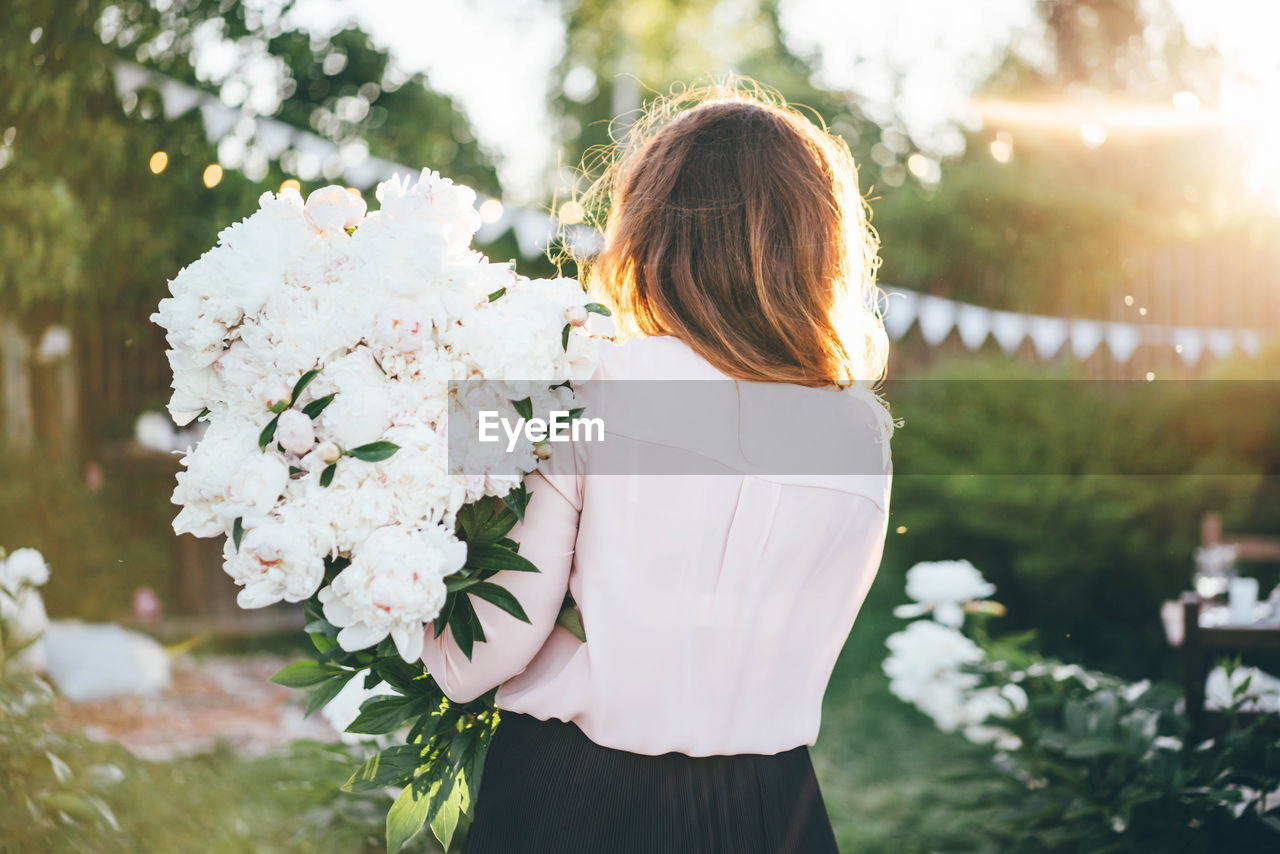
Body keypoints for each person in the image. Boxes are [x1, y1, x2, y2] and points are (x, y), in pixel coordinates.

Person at [421, 80, 893, 854]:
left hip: (581, 802)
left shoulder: (591, 384)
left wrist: (383, 570)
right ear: (820, 244)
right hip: (778, 810)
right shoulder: (861, 429)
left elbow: (480, 655)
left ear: (653, 230)